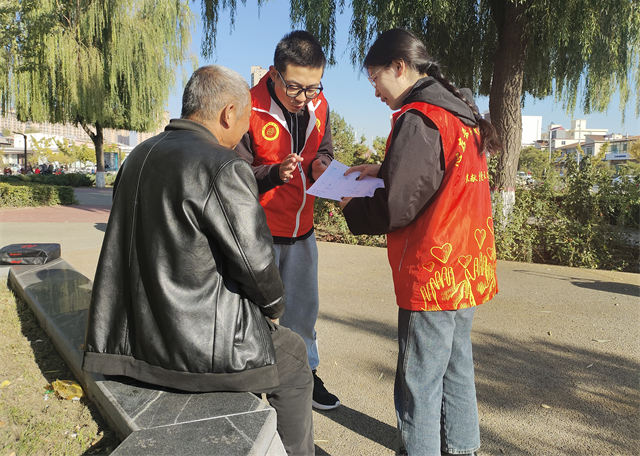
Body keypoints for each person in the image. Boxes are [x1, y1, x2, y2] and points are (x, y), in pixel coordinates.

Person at [82, 65, 314, 455]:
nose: (243, 133)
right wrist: (274, 307)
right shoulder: (224, 165)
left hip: (131, 341)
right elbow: (255, 263)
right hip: (195, 348)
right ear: (227, 113)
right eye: (244, 121)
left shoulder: (137, 156)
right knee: (293, 360)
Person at [339, 28, 502, 456]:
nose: (374, 89)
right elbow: (436, 175)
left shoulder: (420, 118)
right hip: (467, 266)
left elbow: (397, 205)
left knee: (418, 384)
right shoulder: (460, 110)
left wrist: (349, 203)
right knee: (455, 368)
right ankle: (463, 449)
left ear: (399, 67)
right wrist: (386, 165)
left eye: (375, 78)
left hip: (433, 271)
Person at [236, 30, 339, 410]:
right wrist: (272, 174)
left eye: (314, 87)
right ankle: (245, 382)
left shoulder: (319, 104)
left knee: (303, 312)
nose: (305, 98)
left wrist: (321, 164)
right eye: (295, 88)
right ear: (274, 74)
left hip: (302, 230)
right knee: (250, 310)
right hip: (257, 233)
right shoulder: (247, 107)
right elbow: (234, 172)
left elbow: (323, 150)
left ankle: (304, 375)